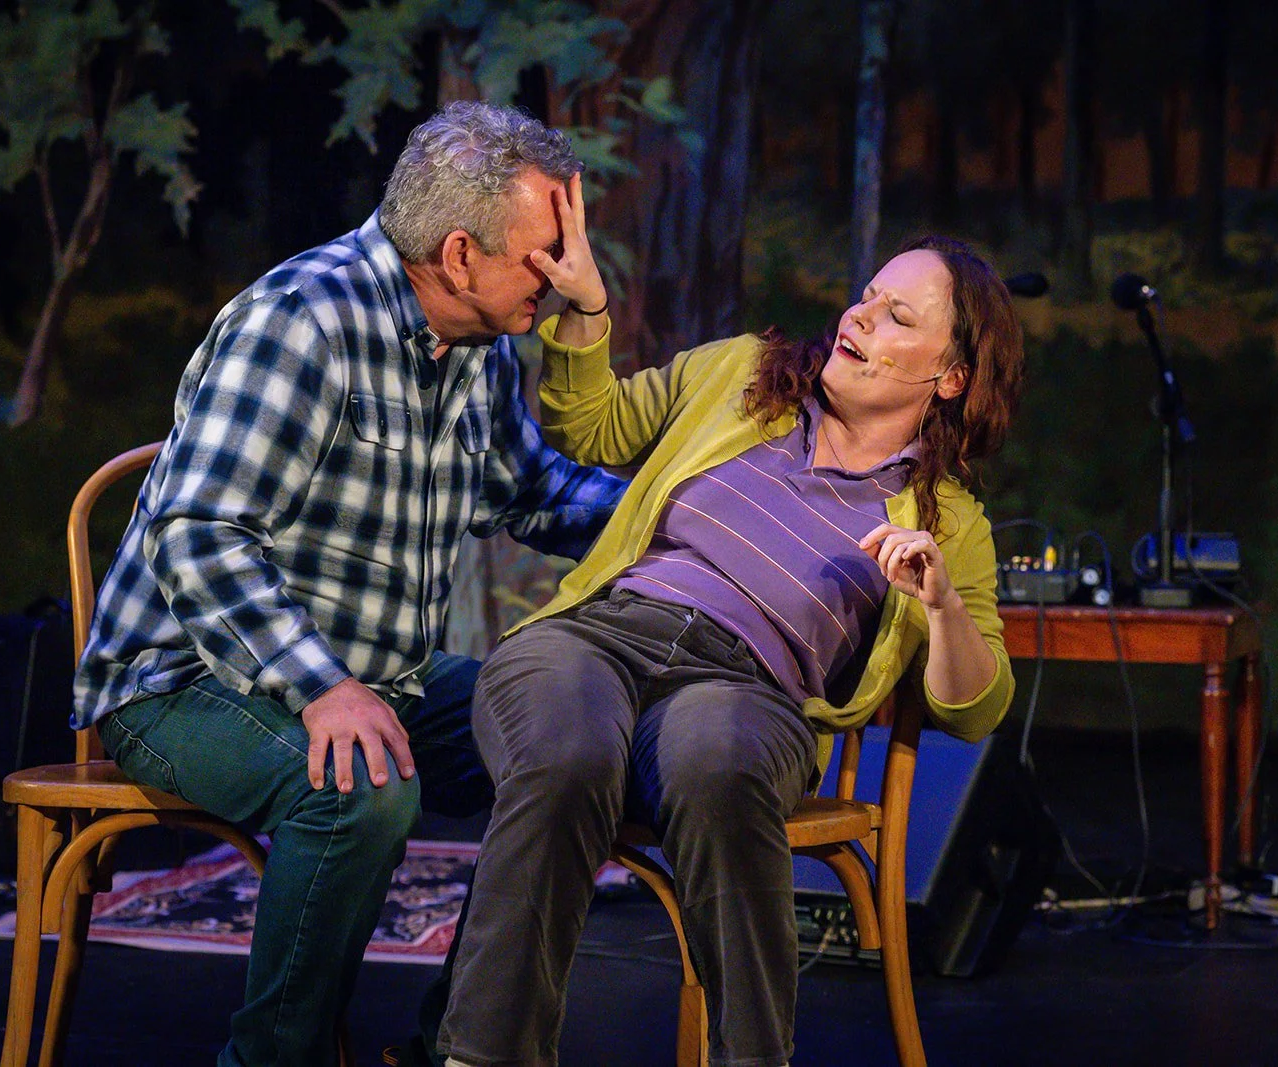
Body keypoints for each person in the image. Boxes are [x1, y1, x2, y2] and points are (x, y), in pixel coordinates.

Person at [71, 101, 626, 1067]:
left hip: (379, 671)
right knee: (363, 788)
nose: (565, 271)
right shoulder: (303, 321)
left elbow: (533, 493)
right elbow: (197, 532)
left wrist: (687, 515)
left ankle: (460, 1049)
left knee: (566, 746)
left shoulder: (479, 347)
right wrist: (323, 686)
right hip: (182, 679)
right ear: (461, 255)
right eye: (547, 250)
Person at [437, 201, 1025, 1067]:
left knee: (717, 755)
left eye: (898, 316)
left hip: (745, 689)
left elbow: (975, 709)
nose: (860, 315)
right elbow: (589, 424)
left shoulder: (949, 521)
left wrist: (940, 605)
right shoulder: (742, 375)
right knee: (563, 748)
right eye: (867, 295)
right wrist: (589, 308)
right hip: (600, 638)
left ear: (950, 376)